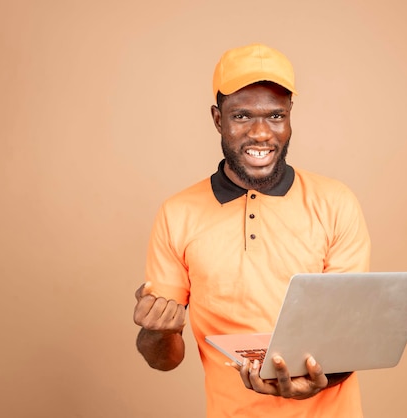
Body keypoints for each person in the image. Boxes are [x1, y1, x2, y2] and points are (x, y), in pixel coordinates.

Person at [133, 43, 371, 418]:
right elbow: (165, 360)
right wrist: (157, 331)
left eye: (276, 116)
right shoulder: (177, 213)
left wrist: (313, 382)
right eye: (242, 116)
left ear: (290, 118)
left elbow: (347, 336)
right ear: (217, 119)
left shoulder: (335, 201)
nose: (262, 133)